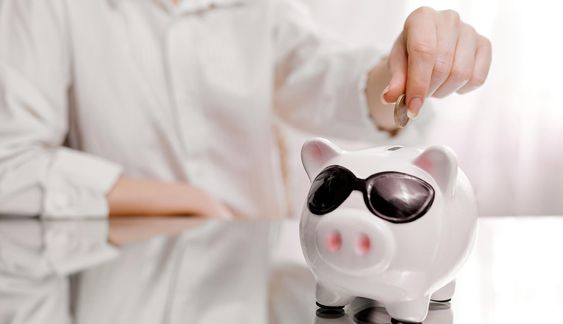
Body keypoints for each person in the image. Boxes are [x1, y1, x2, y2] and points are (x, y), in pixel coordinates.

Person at [0, 0, 491, 219]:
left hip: (248, 298)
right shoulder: (51, 8)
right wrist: (179, 199)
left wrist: (405, 67)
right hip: (112, 285)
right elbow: (10, 162)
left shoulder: (263, 10)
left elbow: (340, 84)